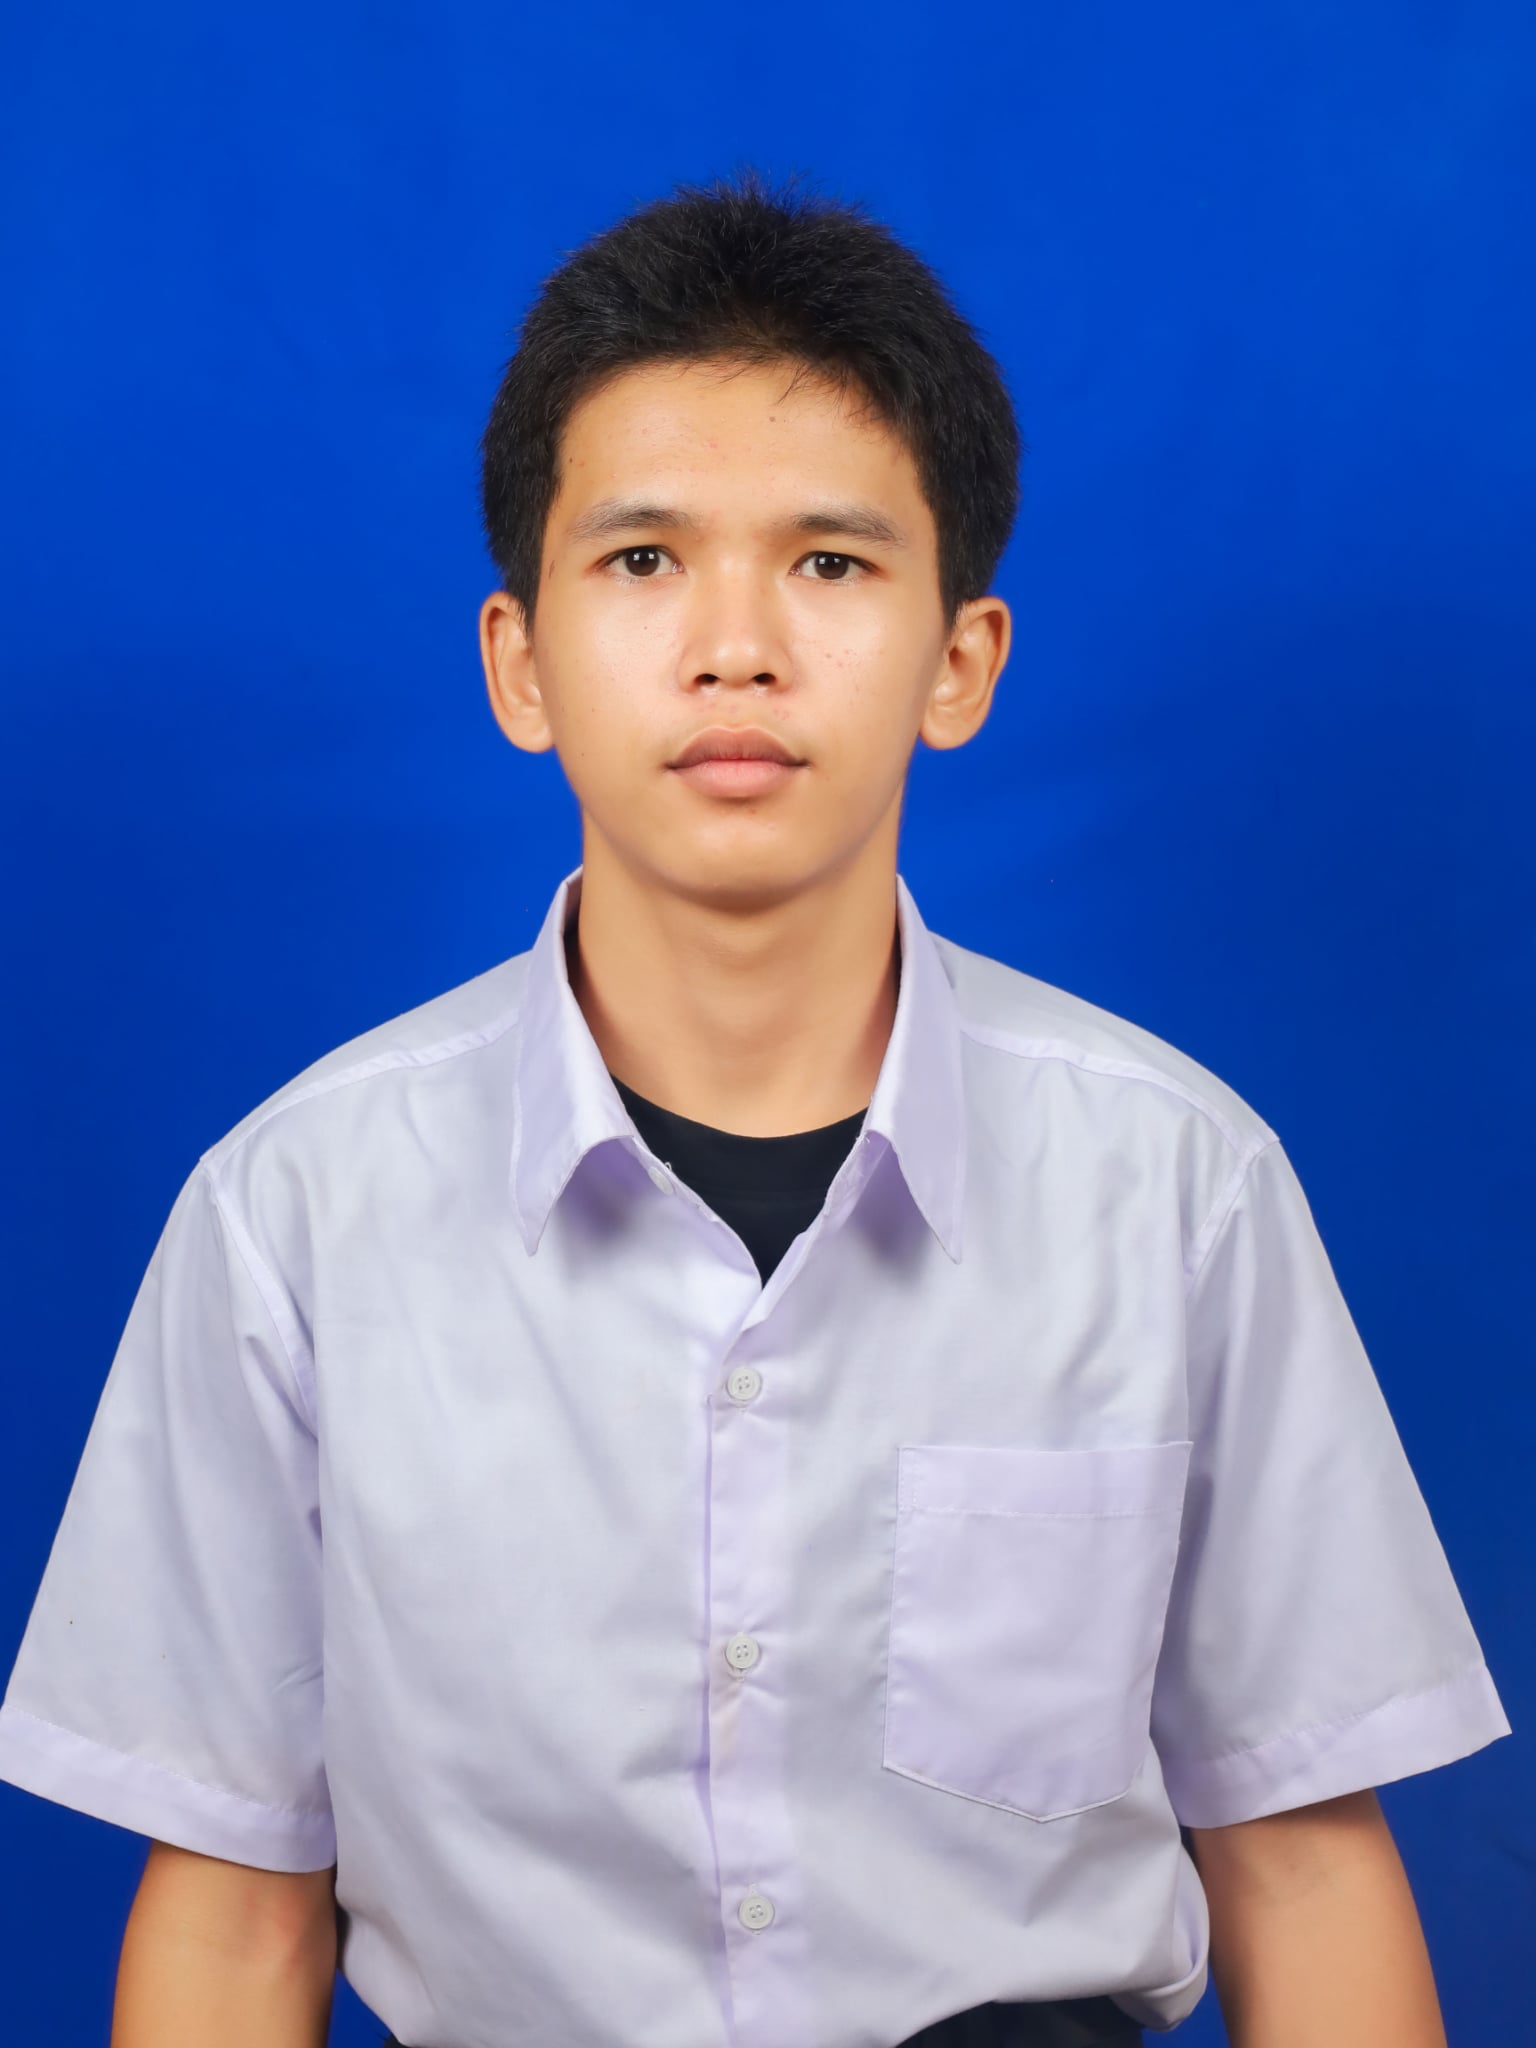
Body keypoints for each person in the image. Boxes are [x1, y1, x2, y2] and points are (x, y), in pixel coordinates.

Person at [0, 170, 1511, 2048]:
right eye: (643, 561)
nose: (737, 645)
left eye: (831, 563)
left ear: (959, 661)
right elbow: (234, 1919)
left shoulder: (1177, 1186)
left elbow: (1300, 1863)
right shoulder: (294, 1215)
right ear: (520, 663)